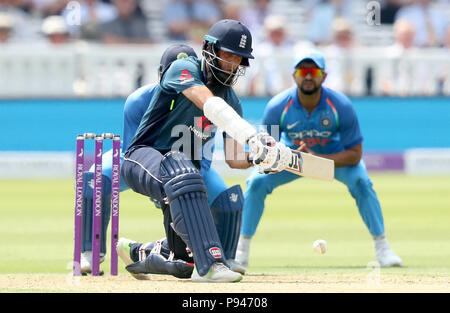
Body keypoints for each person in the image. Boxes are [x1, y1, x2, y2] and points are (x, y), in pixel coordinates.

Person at [119, 19, 292, 283]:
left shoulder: (231, 98)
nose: (233, 64)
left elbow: (235, 159)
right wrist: (252, 135)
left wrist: (259, 157)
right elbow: (207, 101)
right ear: (210, 49)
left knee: (183, 262)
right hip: (142, 157)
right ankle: (211, 266)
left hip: (181, 180)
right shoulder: (184, 68)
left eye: (239, 59)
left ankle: (137, 252)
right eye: (228, 55)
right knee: (185, 172)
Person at [78, 43, 247, 277]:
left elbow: (203, 154)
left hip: (187, 165)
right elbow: (134, 151)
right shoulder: (139, 99)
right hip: (138, 160)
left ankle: (220, 258)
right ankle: (89, 253)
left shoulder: (206, 98)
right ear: (162, 74)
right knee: (95, 180)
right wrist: (163, 191)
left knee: (228, 201)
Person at [235, 49, 403, 270]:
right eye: (302, 71)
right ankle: (241, 251)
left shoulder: (340, 105)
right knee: (256, 183)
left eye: (313, 71)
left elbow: (355, 154)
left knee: (362, 183)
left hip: (331, 158)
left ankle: (383, 249)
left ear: (323, 76)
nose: (307, 76)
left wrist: (318, 160)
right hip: (290, 159)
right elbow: (267, 150)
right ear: (294, 75)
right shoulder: (277, 106)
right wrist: (288, 157)